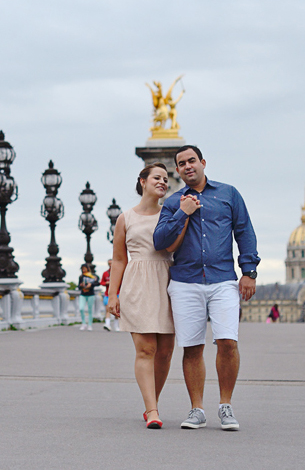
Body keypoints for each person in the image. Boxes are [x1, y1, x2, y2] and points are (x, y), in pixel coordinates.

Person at [153, 145, 259, 431]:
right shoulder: (174, 201)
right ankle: (197, 409)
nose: (187, 166)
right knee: (192, 347)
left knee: (228, 342)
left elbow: (244, 231)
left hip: (223, 279)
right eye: (181, 163)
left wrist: (249, 271)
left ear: (202, 162)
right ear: (177, 170)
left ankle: (226, 406)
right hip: (185, 282)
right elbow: (159, 240)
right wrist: (183, 213)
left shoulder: (228, 194)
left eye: (192, 161)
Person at [107, 163, 186, 429]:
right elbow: (119, 260)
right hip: (137, 283)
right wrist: (112, 296)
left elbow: (176, 246)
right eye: (157, 177)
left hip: (167, 280)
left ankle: (152, 403)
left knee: (165, 351)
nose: (163, 182)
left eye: (166, 179)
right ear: (142, 181)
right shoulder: (125, 218)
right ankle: (152, 410)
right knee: (146, 349)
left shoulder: (171, 213)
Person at [78, 264, 100, 331]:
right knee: (81, 308)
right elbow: (78, 287)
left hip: (91, 294)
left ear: (88, 268)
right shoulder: (81, 276)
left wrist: (91, 284)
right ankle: (83, 323)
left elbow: (98, 283)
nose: (83, 270)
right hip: (83, 294)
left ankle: (90, 324)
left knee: (90, 310)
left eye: (84, 268)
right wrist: (81, 285)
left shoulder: (93, 276)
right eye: (82, 269)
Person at [101, 260, 113, 331]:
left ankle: (116, 325)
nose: (110, 265)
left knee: (116, 310)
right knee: (107, 309)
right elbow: (101, 282)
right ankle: (107, 324)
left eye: (111, 263)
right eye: (109, 264)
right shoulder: (105, 273)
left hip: (117, 293)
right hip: (107, 294)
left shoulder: (118, 272)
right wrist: (106, 283)